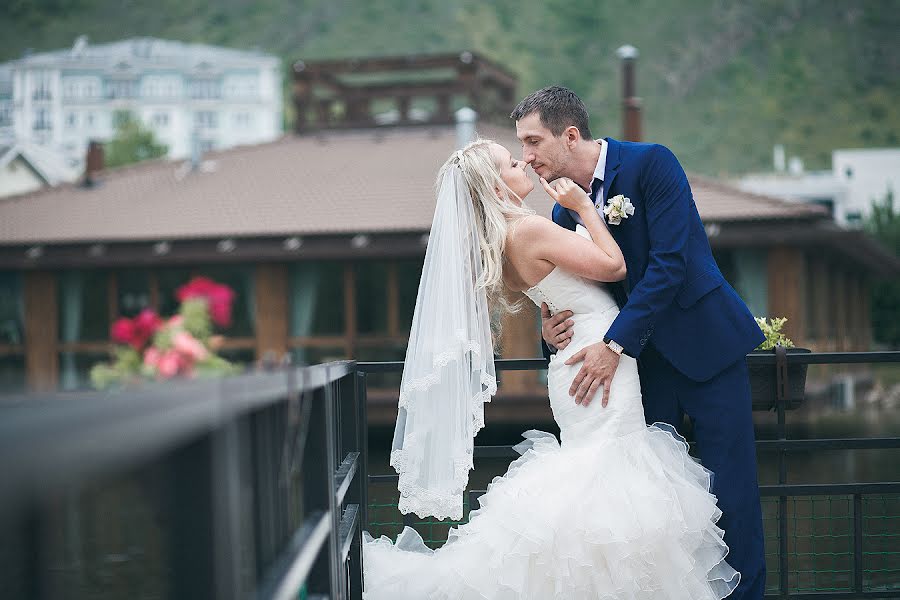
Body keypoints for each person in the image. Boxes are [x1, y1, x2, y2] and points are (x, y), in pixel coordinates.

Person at [362, 138, 740, 599]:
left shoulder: (501, 238)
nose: (523, 162)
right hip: (596, 360)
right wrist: (584, 208)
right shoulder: (529, 229)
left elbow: (551, 291)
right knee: (612, 478)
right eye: (511, 161)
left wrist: (547, 321)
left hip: (573, 357)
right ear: (497, 186)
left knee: (598, 478)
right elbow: (614, 265)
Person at [513, 86, 766, 599]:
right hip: (640, 374)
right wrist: (550, 330)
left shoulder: (651, 164)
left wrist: (614, 344)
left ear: (570, 135)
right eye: (521, 146)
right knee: (662, 507)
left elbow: (670, 265)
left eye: (534, 142)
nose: (528, 157)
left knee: (732, 493)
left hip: (706, 349)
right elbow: (577, 298)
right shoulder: (563, 215)